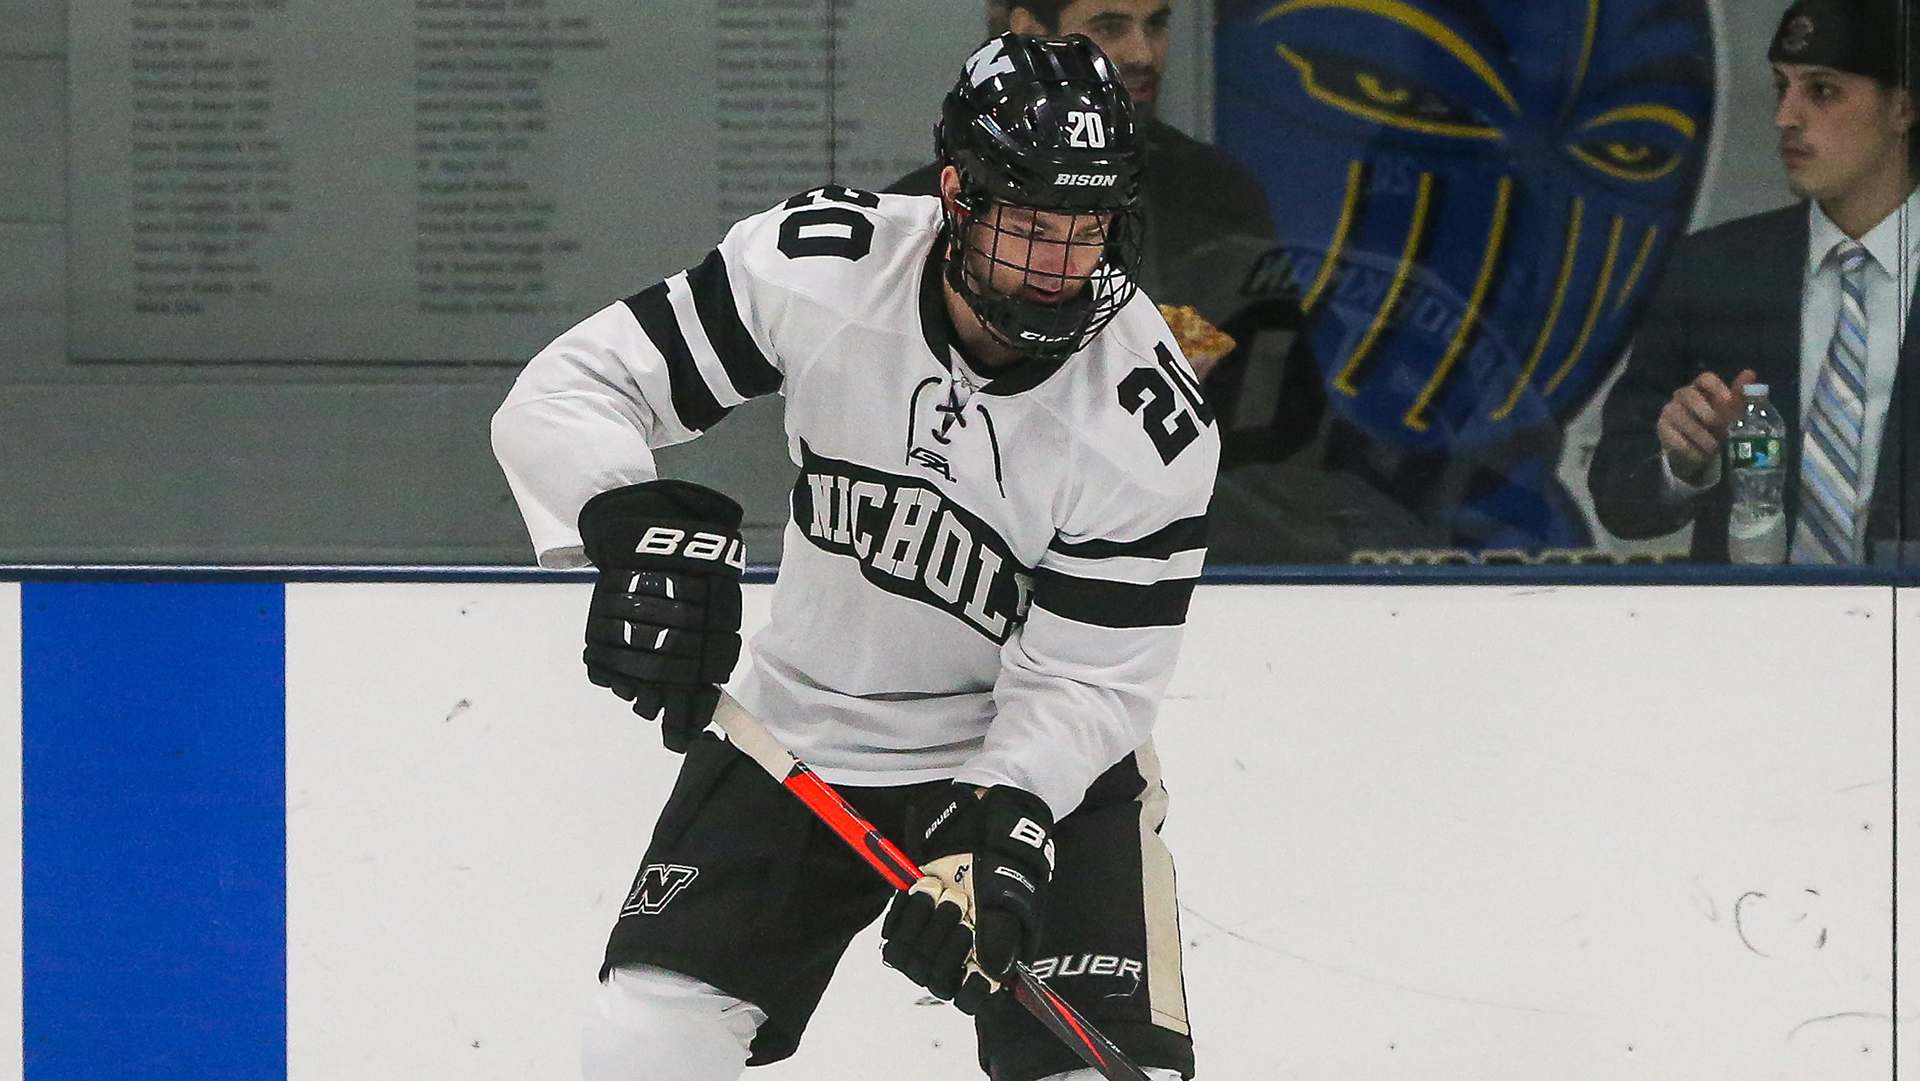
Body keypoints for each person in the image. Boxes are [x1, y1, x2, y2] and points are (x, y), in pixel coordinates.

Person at [491, 32, 1215, 1081]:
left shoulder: (1147, 420)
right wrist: (626, 525)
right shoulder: (824, 269)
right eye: (1032, 226)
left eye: (1089, 227)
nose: (1064, 266)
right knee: (644, 1039)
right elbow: (568, 393)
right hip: (803, 736)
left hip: (1030, 767)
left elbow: (1090, 679)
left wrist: (998, 819)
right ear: (959, 192)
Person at [1590, 0, 1920, 563]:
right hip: (1748, 636)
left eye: (1821, 91)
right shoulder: (1715, 268)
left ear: (1902, 107)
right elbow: (1620, 496)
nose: (1785, 117)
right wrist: (1681, 463)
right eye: (1779, 87)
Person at [890, 1, 1276, 374]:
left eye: (1156, 24)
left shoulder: (1222, 187)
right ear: (1030, 32)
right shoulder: (916, 213)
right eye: (1110, 27)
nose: (1143, 54)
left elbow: (1281, 382)